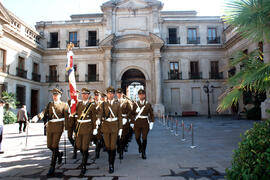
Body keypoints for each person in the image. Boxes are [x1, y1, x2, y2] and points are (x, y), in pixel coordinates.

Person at [32, 88, 69, 176]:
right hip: (50, 127)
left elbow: (67, 117)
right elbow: (44, 112)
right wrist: (37, 117)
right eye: (54, 95)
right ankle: (59, 155)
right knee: (49, 146)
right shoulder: (49, 104)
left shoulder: (64, 105)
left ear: (60, 95)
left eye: (56, 95)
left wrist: (66, 129)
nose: (55, 96)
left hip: (59, 126)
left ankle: (52, 166)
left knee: (55, 145)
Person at [97, 87, 122, 173]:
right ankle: (110, 160)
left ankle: (111, 164)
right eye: (109, 93)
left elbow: (120, 117)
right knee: (108, 146)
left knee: (112, 146)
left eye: (112, 93)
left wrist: (121, 128)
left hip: (115, 126)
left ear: (114, 94)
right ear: (107, 94)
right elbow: (100, 113)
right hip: (106, 126)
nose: (110, 95)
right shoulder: (103, 104)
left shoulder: (117, 104)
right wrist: (98, 119)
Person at [74, 88, 97, 176]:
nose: (84, 95)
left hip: (87, 128)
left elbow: (94, 117)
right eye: (83, 94)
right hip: (79, 128)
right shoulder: (78, 104)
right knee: (79, 145)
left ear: (88, 95)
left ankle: (84, 166)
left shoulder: (91, 105)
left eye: (86, 94)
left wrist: (95, 128)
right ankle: (85, 156)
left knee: (84, 147)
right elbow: (74, 113)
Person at [132, 89, 154, 159]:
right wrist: (132, 123)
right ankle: (140, 146)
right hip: (137, 123)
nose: (141, 96)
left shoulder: (148, 104)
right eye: (140, 94)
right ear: (138, 96)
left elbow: (151, 114)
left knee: (144, 138)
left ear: (144, 95)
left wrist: (152, 122)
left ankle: (143, 152)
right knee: (137, 137)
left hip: (145, 123)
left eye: (142, 94)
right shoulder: (135, 104)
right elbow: (131, 114)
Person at [116, 88, 132, 159]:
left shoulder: (127, 102)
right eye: (118, 93)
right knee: (117, 137)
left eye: (120, 93)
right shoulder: (114, 101)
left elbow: (130, 111)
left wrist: (126, 118)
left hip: (124, 121)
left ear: (122, 94)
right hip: (116, 121)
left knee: (123, 137)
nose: (119, 94)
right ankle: (119, 147)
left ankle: (121, 151)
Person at [67, 90, 80, 159]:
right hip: (71, 121)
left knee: (76, 137)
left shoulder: (80, 102)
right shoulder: (69, 101)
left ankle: (75, 152)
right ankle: (77, 146)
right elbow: (67, 111)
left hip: (77, 121)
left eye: (77, 94)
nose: (75, 95)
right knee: (69, 136)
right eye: (74, 94)